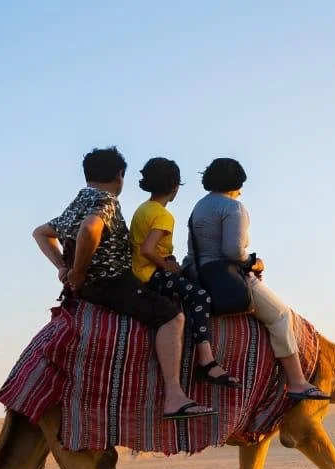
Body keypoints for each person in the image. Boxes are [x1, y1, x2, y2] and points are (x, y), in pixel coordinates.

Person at [32, 147, 215, 420]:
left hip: (96, 283)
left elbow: (41, 233)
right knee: (172, 318)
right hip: (111, 282)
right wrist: (78, 272)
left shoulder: (80, 200)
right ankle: (175, 397)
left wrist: (62, 266)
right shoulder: (105, 201)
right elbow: (91, 228)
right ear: (120, 176)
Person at [186, 158, 328, 401]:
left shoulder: (200, 206)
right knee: (281, 315)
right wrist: (253, 262)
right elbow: (233, 250)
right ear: (236, 183)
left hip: (193, 270)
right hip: (222, 273)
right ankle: (297, 381)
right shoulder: (233, 208)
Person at [130, 158, 238, 389]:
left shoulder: (143, 209)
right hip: (151, 274)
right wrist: (167, 265)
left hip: (140, 270)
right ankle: (206, 360)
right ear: (174, 187)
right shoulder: (163, 216)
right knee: (200, 296)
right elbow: (148, 249)